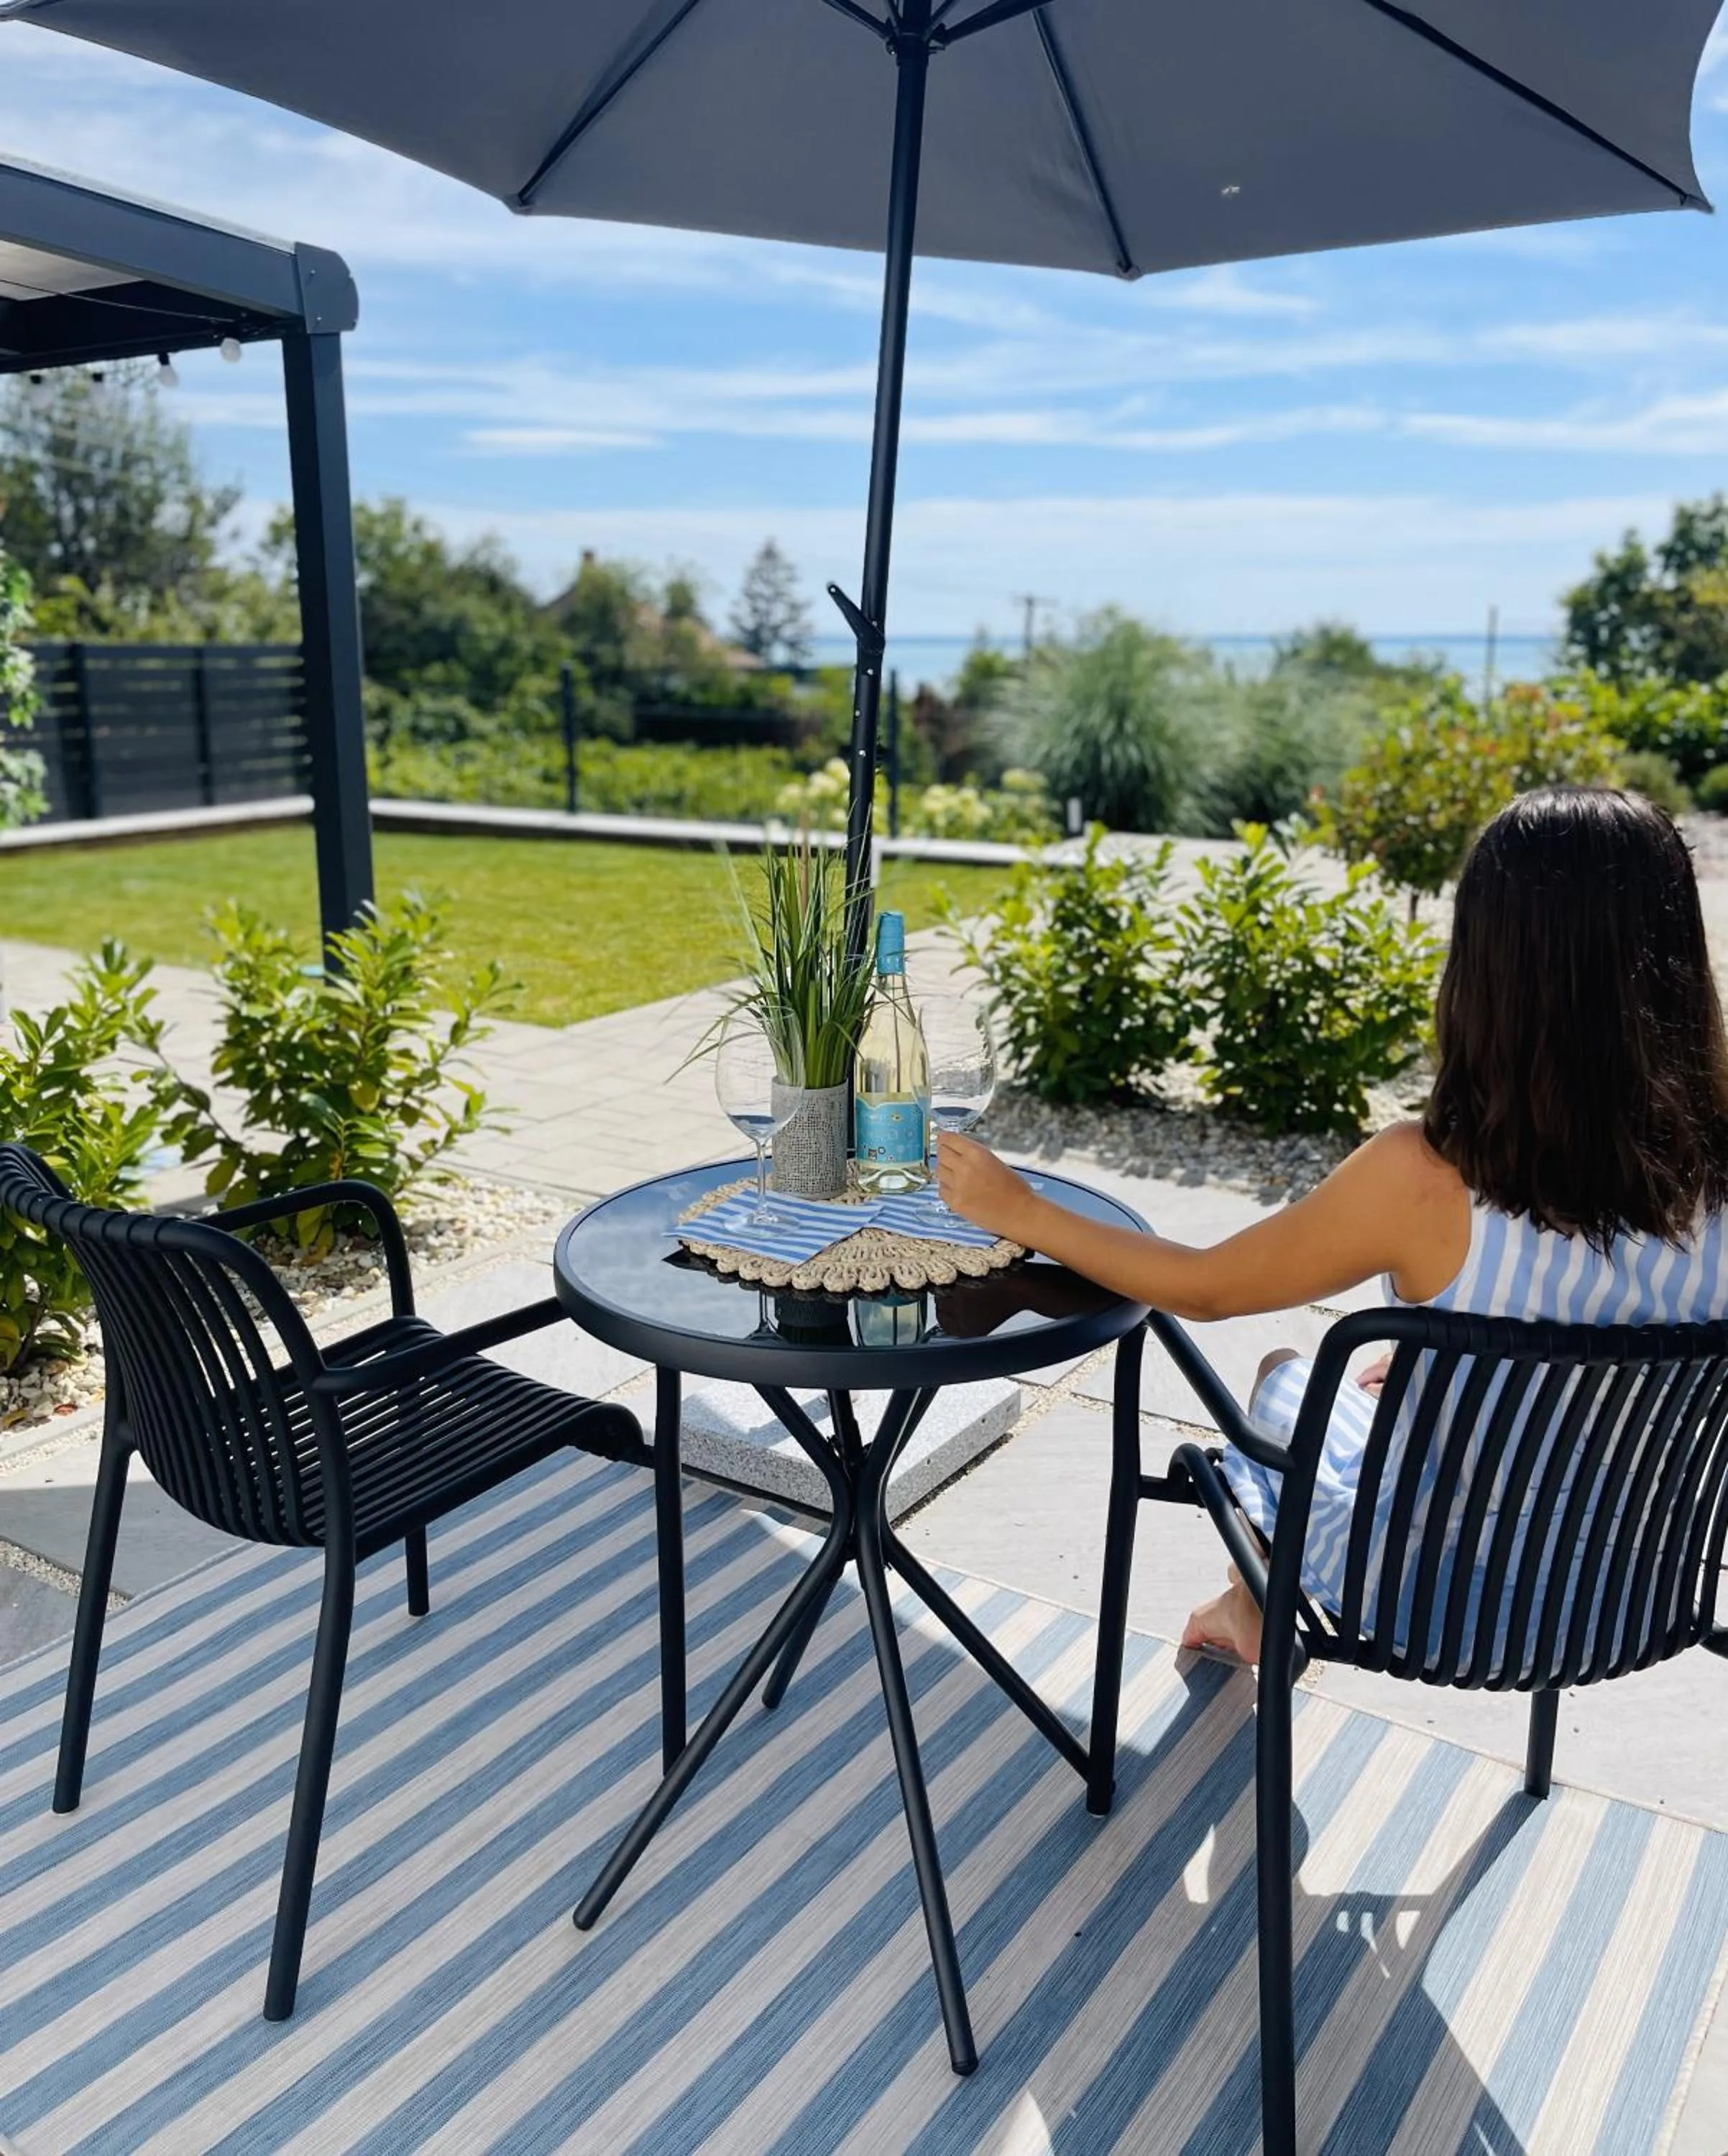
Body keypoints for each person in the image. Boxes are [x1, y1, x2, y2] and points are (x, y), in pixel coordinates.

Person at [936, 787, 1728, 1664]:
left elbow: (1205, 1288)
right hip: (1630, 1604)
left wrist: (1020, 1210)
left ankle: (1250, 1602)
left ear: (1490, 965)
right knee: (1364, 1396)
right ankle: (1243, 1604)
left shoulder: (1426, 1177)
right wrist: (1455, 1367)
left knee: (1285, 1375)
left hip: (1434, 1605)